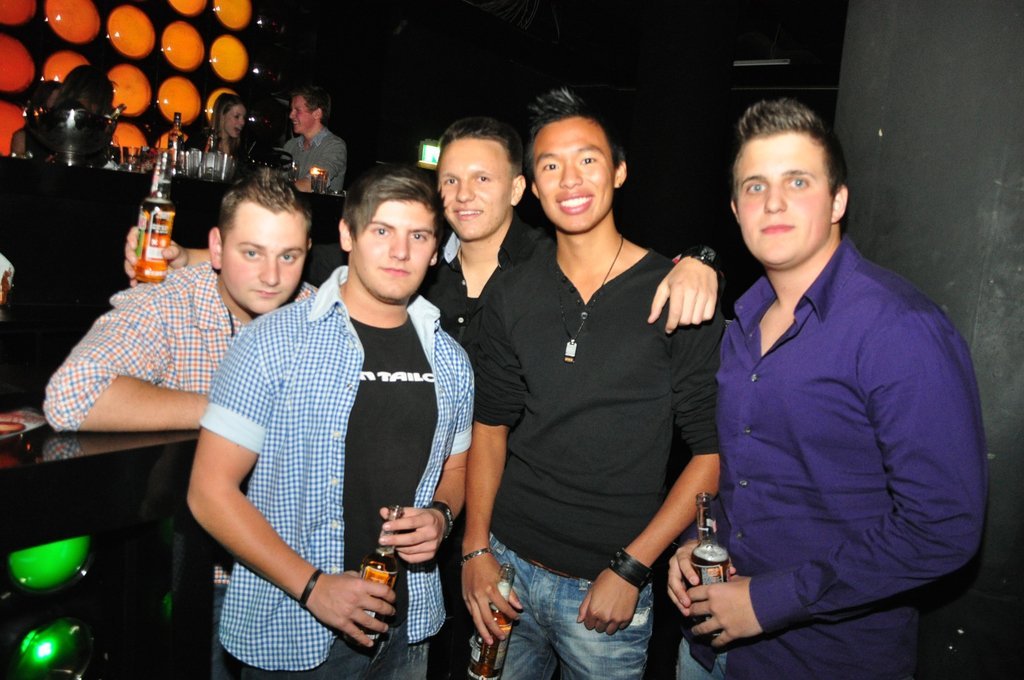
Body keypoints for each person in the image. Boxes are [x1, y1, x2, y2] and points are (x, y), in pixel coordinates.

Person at [668, 98, 988, 680]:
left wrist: (769, 601)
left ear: (838, 200)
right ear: (736, 209)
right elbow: (741, 480)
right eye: (755, 186)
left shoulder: (898, 328)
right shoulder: (741, 325)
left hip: (825, 660)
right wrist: (694, 542)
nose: (774, 202)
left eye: (798, 181)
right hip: (706, 649)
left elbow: (943, 526)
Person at [461, 87, 723, 680]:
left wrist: (632, 567)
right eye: (551, 165)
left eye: (588, 159)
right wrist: (475, 548)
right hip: (505, 567)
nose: (570, 179)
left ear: (619, 171)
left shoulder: (676, 293)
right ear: (533, 185)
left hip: (607, 583)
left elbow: (711, 454)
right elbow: (490, 425)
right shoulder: (511, 291)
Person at [187, 163, 473, 678]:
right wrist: (313, 586)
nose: (400, 251)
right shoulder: (271, 342)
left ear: (435, 251)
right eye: (382, 231)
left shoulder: (452, 361)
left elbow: (456, 470)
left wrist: (441, 517)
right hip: (295, 625)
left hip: (409, 632)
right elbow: (209, 493)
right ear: (347, 235)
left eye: (418, 236)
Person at [44, 169, 313, 432]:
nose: (271, 277)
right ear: (217, 248)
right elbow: (71, 397)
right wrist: (239, 410)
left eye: (288, 256)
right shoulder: (166, 304)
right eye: (252, 253)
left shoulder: (318, 312)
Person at [283, 84, 347, 193]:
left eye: (297, 110)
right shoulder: (290, 146)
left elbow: (313, 183)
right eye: (291, 110)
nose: (291, 115)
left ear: (317, 113)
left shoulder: (335, 146)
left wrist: (275, 190)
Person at [9, 80, 61, 158]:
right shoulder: (24, 137)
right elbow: (18, 163)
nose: (56, 104)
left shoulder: (66, 138)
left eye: (59, 100)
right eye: (53, 99)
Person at [207, 92, 248, 158]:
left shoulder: (240, 152)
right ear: (222, 116)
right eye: (237, 116)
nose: (243, 122)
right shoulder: (201, 143)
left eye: (244, 118)